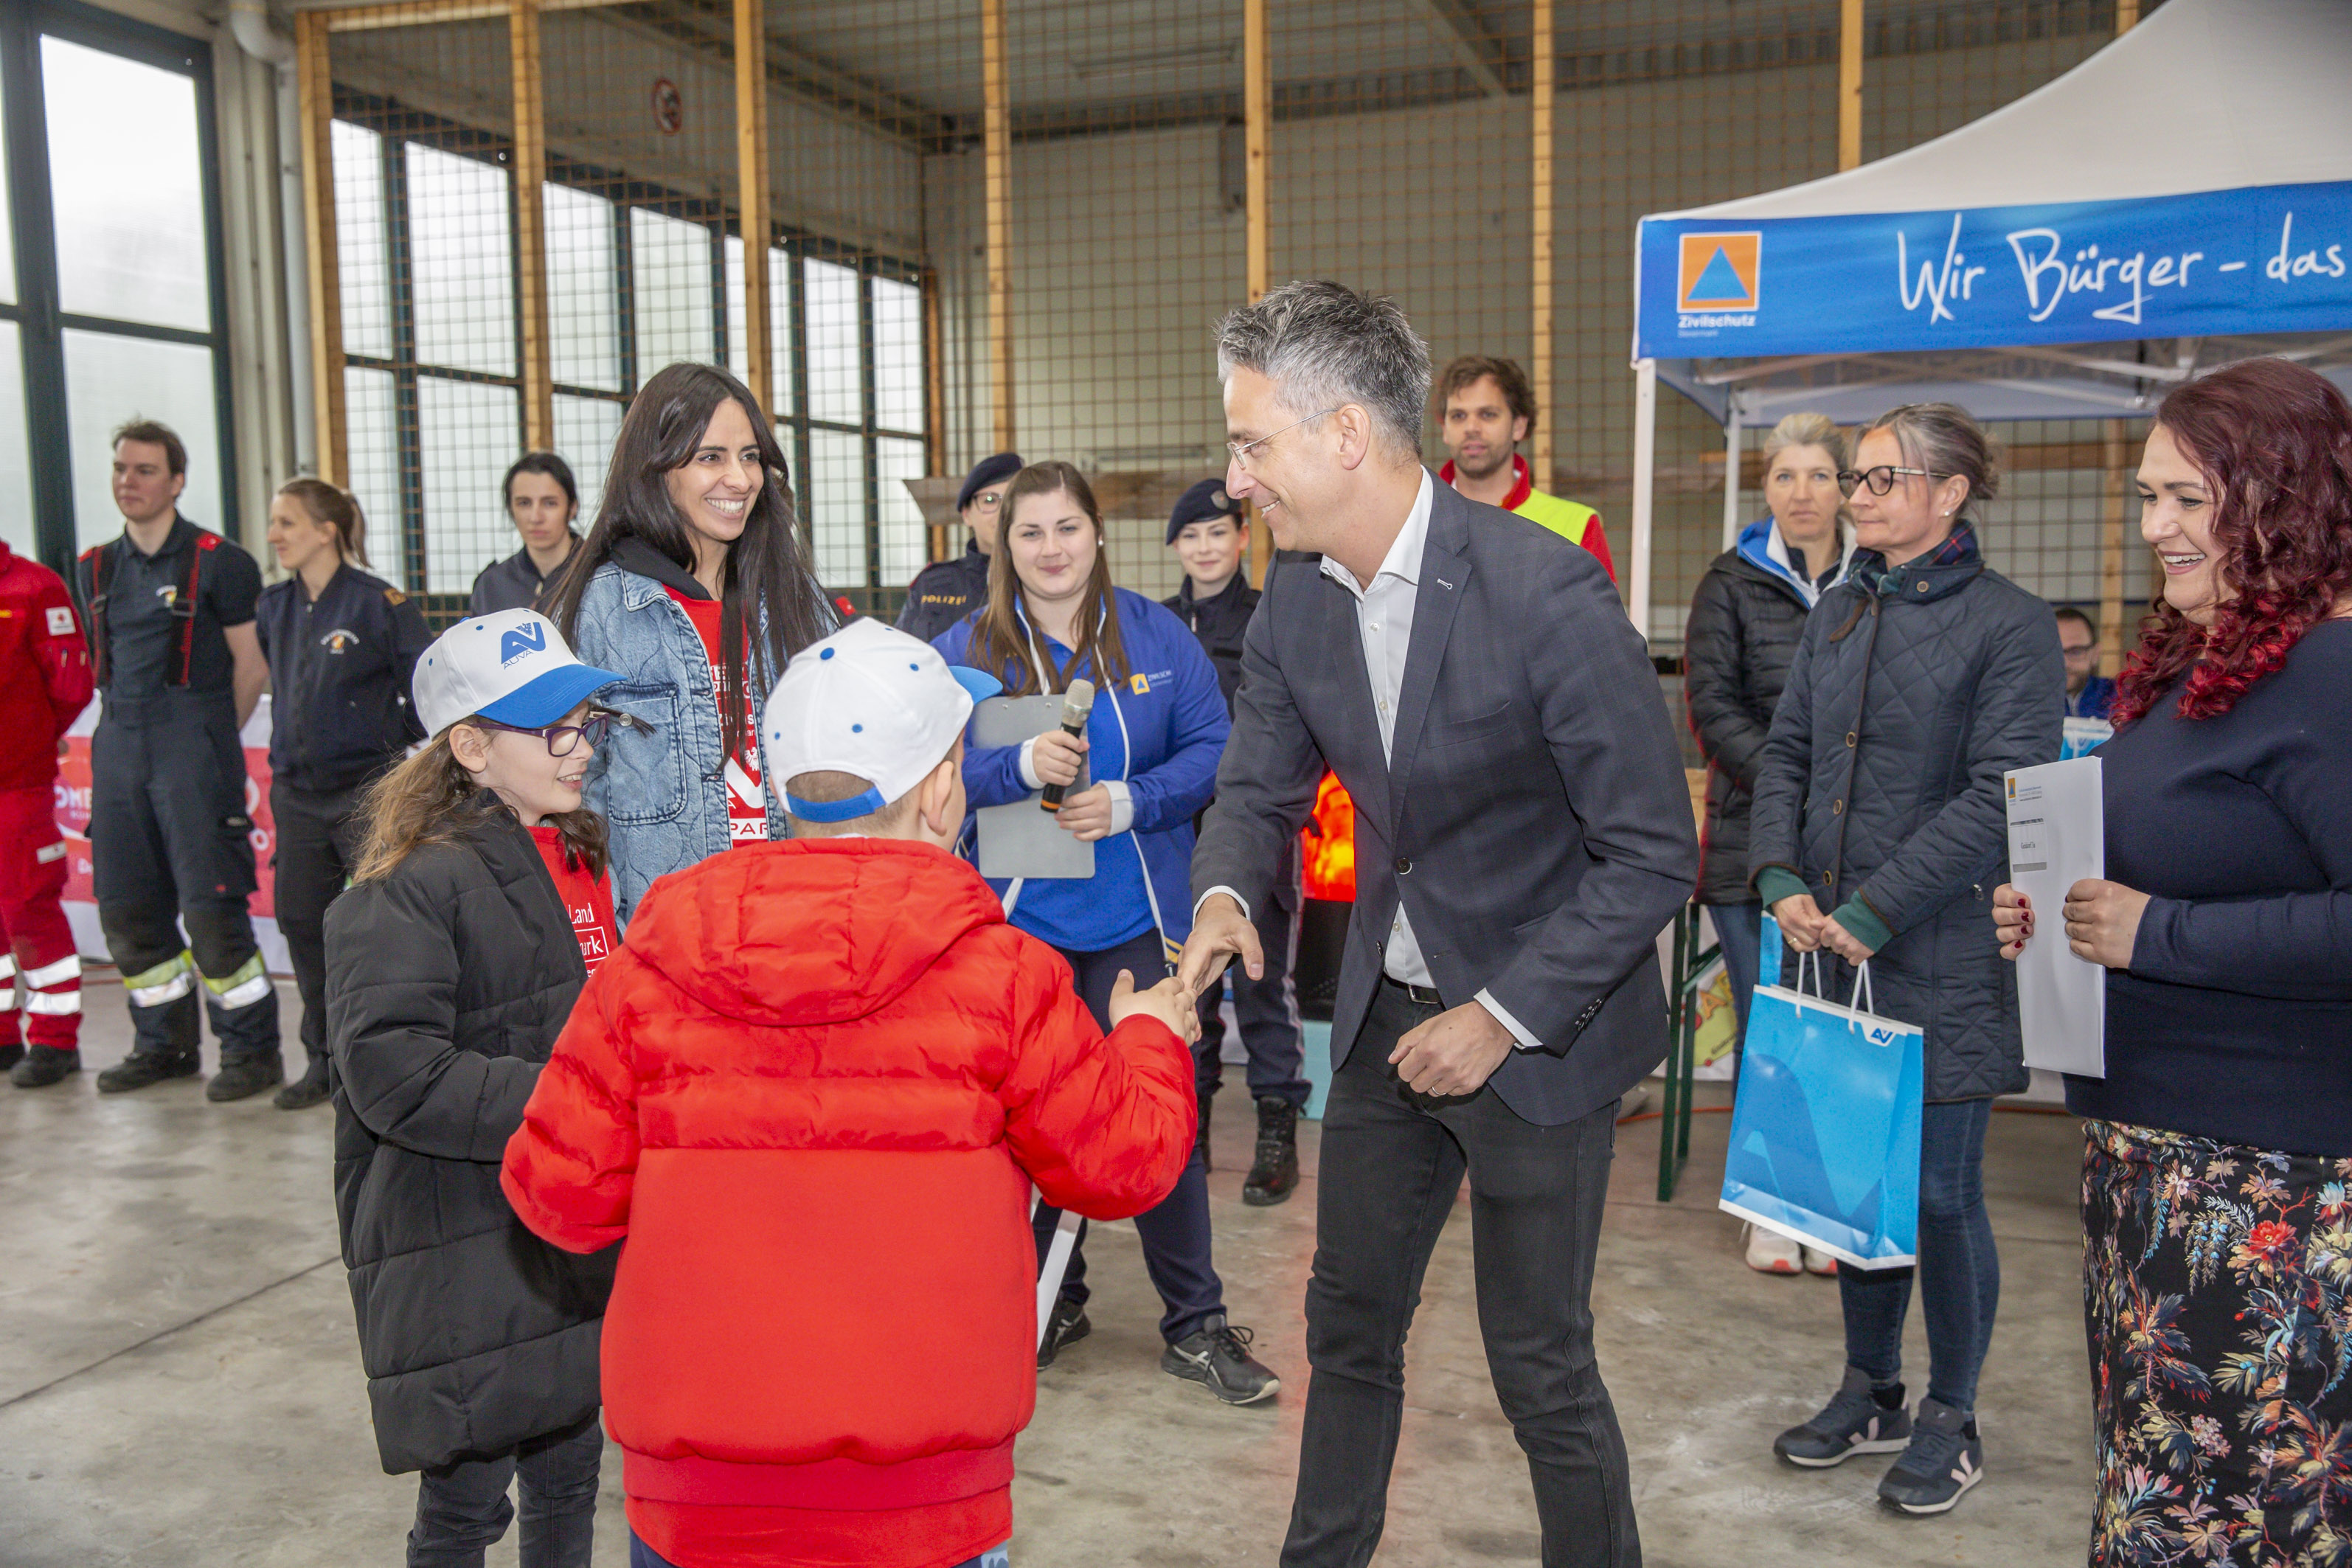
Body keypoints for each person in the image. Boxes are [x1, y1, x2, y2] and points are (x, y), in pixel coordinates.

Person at [502, 617, 1200, 1568]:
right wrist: (1152, 1034)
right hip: (926, 1505)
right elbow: (1126, 1163)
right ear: (946, 786)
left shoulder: (649, 968)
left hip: (696, 1502)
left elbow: (558, 1195)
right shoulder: (1004, 974)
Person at [1182, 280, 1696, 1568]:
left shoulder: (1544, 594)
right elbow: (1255, 784)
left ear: (1342, 434)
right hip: (1381, 1028)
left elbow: (1649, 854)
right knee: (1346, 1332)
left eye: (1252, 445)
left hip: (1536, 1034)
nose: (1236, 479)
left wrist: (1500, 1015)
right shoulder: (1298, 598)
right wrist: (1222, 898)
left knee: (1539, 1366)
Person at [1991, 358, 2352, 1567]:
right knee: (2165, 1500)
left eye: (2188, 500)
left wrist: (2156, 933)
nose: (2153, 528)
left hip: (2267, 1201)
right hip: (2152, 1179)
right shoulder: (2204, 667)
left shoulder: (2327, 672)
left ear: (2281, 499)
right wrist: (2050, 910)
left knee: (2220, 1522)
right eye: (2146, 498)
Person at [1748, 403, 2061, 1515]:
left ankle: (1951, 1411)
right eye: (1857, 479)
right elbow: (1785, 751)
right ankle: (1871, 1389)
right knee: (1853, 1184)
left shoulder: (2010, 626)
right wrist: (1779, 879)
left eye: (1882, 479)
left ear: (1952, 492)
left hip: (1938, 950)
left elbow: (1998, 796)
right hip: (1830, 947)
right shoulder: (1841, 607)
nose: (1858, 496)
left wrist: (1873, 909)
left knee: (1937, 1191)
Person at [934, 460, 1277, 1404]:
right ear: (1004, 542)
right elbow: (934, 761)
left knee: (1154, 1116)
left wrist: (1136, 799)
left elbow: (1217, 749)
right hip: (1021, 930)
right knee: (1024, 1126)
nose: (1051, 548)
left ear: (1096, 533)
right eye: (1031, 531)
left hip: (1136, 921)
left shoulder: (1157, 632)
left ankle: (1196, 1322)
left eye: (1068, 528)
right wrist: (1011, 764)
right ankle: (1054, 1298)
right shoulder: (969, 647)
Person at [325, 608, 624, 1568]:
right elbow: (394, 1074)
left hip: (555, 1222)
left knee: (571, 1463)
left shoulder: (574, 849)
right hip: (466, 1239)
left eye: (587, 718)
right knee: (465, 1498)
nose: (581, 743)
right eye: (552, 728)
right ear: (469, 747)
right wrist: (578, 1093)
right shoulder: (410, 884)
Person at [546, 361, 832, 928]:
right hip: (667, 945)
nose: (741, 479)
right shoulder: (596, 614)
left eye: (750, 456)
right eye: (710, 457)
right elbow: (571, 803)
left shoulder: (799, 603)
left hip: (796, 927)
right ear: (655, 471)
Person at [1682, 411, 1851, 1277]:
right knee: (1771, 1027)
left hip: (1859, 859)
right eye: (1786, 476)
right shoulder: (1728, 583)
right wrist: (1798, 793)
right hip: (1755, 849)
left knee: (1842, 1030)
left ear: (1847, 487)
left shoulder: (1880, 578)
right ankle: (1771, 1206)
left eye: (1820, 475)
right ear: (1767, 489)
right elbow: (1713, 710)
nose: (1802, 492)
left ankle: (1830, 1208)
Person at [70, 417, 282, 1100]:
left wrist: (210, 738)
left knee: (211, 904)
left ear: (178, 480)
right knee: (127, 906)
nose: (128, 482)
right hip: (119, 747)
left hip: (193, 745)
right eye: (121, 469)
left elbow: (251, 664)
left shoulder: (220, 561)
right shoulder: (94, 567)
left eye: (145, 470)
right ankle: (162, 1045)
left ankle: (251, 1052)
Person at [255, 479, 430, 1110]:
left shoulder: (377, 603)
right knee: (304, 922)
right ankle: (322, 1061)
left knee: (374, 929)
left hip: (365, 793)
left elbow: (428, 684)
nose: (274, 535)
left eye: (287, 523)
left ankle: (380, 1060)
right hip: (298, 797)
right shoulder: (274, 606)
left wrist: (392, 739)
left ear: (327, 531)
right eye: (274, 523)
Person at [1162, 476, 1308, 1204]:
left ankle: (1277, 1134)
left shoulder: (1271, 615)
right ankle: (1190, 1126)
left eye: (1218, 532)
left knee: (1262, 983)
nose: (1206, 547)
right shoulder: (1157, 629)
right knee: (1190, 984)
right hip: (1176, 839)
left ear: (1243, 538)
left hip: (1258, 833)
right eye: (1190, 536)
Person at [0, 533, 92, 1089]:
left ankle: (56, 1041)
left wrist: (31, 739)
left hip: (17, 786)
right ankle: (4, 1033)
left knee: (30, 904)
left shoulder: (34, 588)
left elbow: (71, 685)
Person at [1434, 353, 1614, 581]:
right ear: (1444, 429)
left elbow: (1596, 617)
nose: (1471, 427)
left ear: (1519, 426)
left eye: (1487, 414)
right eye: (1458, 416)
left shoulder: (1578, 525)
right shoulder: (1412, 519)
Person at [896, 451, 1021, 643]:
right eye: (990, 500)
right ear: (966, 514)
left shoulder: (1044, 577)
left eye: (1012, 500)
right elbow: (903, 652)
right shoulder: (934, 583)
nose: (1003, 511)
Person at [469, 451, 584, 616]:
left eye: (550, 503)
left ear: (572, 507)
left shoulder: (601, 576)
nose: (535, 517)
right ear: (511, 509)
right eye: (524, 503)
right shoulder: (492, 586)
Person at [2054, 606, 2115, 719]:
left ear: (2096, 653)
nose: (2065, 664)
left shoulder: (2120, 699)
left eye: (2076, 652)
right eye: (2055, 653)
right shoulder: (2026, 704)